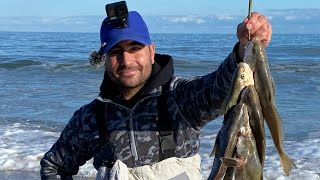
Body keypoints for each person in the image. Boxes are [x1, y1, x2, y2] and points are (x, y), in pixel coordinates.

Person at [40, 7, 272, 180]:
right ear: (104, 60)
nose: (126, 60)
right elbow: (54, 167)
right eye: (115, 51)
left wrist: (244, 49)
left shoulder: (179, 98)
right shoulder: (88, 118)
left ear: (151, 52)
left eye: (135, 48)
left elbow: (220, 88)